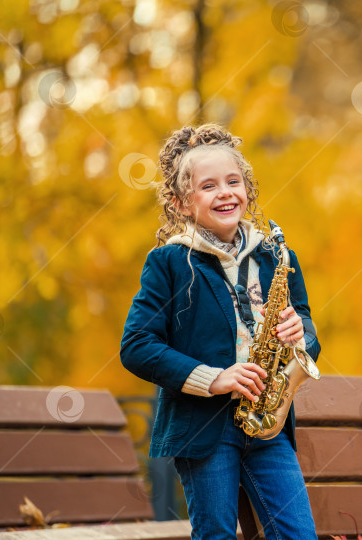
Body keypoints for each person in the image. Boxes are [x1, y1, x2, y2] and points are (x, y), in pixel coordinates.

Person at [120, 124, 320, 540]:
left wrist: (298, 332)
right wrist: (214, 379)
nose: (226, 192)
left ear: (247, 187)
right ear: (180, 202)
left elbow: (308, 329)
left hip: (268, 422)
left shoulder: (278, 255)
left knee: (298, 534)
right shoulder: (169, 262)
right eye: (208, 186)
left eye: (233, 181)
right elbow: (136, 346)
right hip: (202, 429)